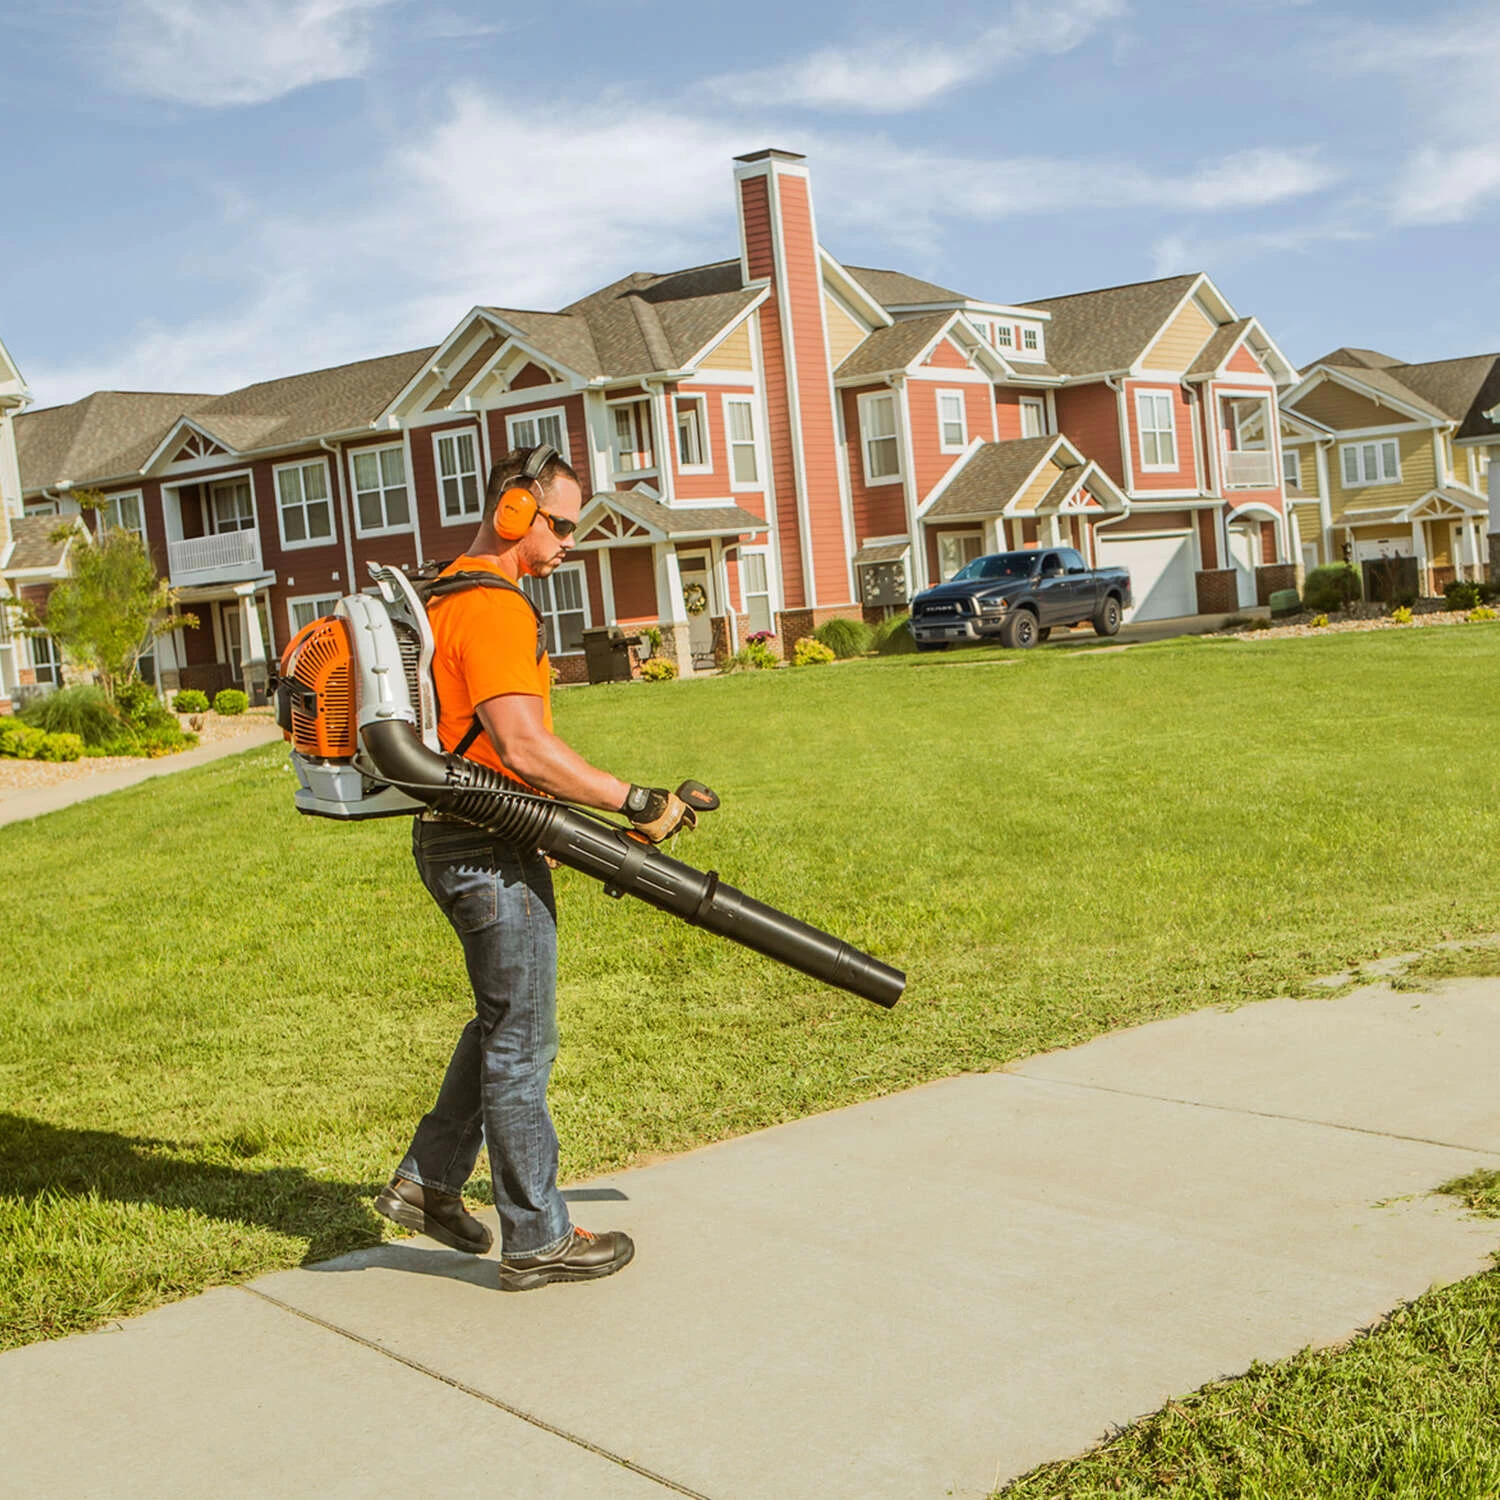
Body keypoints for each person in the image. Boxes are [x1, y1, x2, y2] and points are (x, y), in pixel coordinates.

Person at [373, 446, 696, 1292]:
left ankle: (428, 1184)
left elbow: (494, 752)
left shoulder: (446, 588)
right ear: (515, 510)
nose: (565, 543)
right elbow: (523, 746)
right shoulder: (494, 607)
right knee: (522, 1038)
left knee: (499, 1023)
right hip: (486, 848)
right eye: (557, 524)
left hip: (463, 834)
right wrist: (634, 800)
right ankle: (537, 1236)